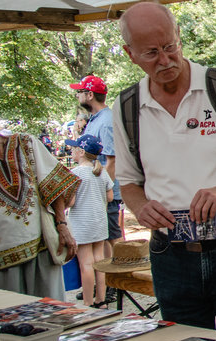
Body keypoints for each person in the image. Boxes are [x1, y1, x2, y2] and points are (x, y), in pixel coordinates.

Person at [112, 2, 216, 336]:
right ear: (130, 55)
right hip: (171, 255)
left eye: (170, 47)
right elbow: (129, 183)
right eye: (151, 53)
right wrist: (142, 208)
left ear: (179, 38)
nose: (165, 60)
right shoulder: (128, 105)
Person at [0, 112, 80, 299]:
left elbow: (53, 185)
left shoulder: (26, 144)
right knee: (8, 320)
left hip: (42, 250)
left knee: (52, 313)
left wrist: (62, 225)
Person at [70, 75, 121, 304]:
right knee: (103, 242)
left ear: (90, 94)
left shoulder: (106, 120)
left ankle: (112, 284)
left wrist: (101, 193)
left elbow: (112, 160)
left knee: (110, 239)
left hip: (101, 195)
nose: (78, 95)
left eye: (80, 91)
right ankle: (101, 288)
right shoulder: (94, 120)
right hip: (97, 193)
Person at [65, 134, 114, 308]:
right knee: (99, 261)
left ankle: (87, 302)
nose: (71, 151)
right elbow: (109, 197)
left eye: (73, 149)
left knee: (86, 264)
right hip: (99, 222)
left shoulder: (75, 174)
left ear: (81, 151)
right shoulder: (101, 173)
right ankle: (101, 299)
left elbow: (70, 202)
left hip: (82, 224)